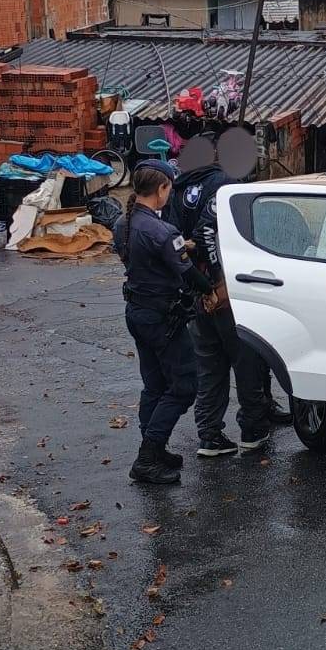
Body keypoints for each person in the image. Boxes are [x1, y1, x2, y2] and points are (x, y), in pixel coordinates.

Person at [113, 163, 214, 485]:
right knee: (184, 386)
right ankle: (147, 457)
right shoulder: (163, 232)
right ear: (161, 189)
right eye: (169, 188)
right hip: (162, 318)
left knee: (155, 385)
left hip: (138, 312)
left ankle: (153, 449)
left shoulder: (122, 223)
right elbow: (188, 274)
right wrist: (212, 291)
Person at [173, 150, 272, 458]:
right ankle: (252, 430)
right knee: (246, 361)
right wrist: (217, 277)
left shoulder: (177, 188)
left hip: (195, 286)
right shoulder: (224, 185)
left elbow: (176, 239)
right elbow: (206, 230)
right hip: (225, 290)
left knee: (210, 366)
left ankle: (209, 435)